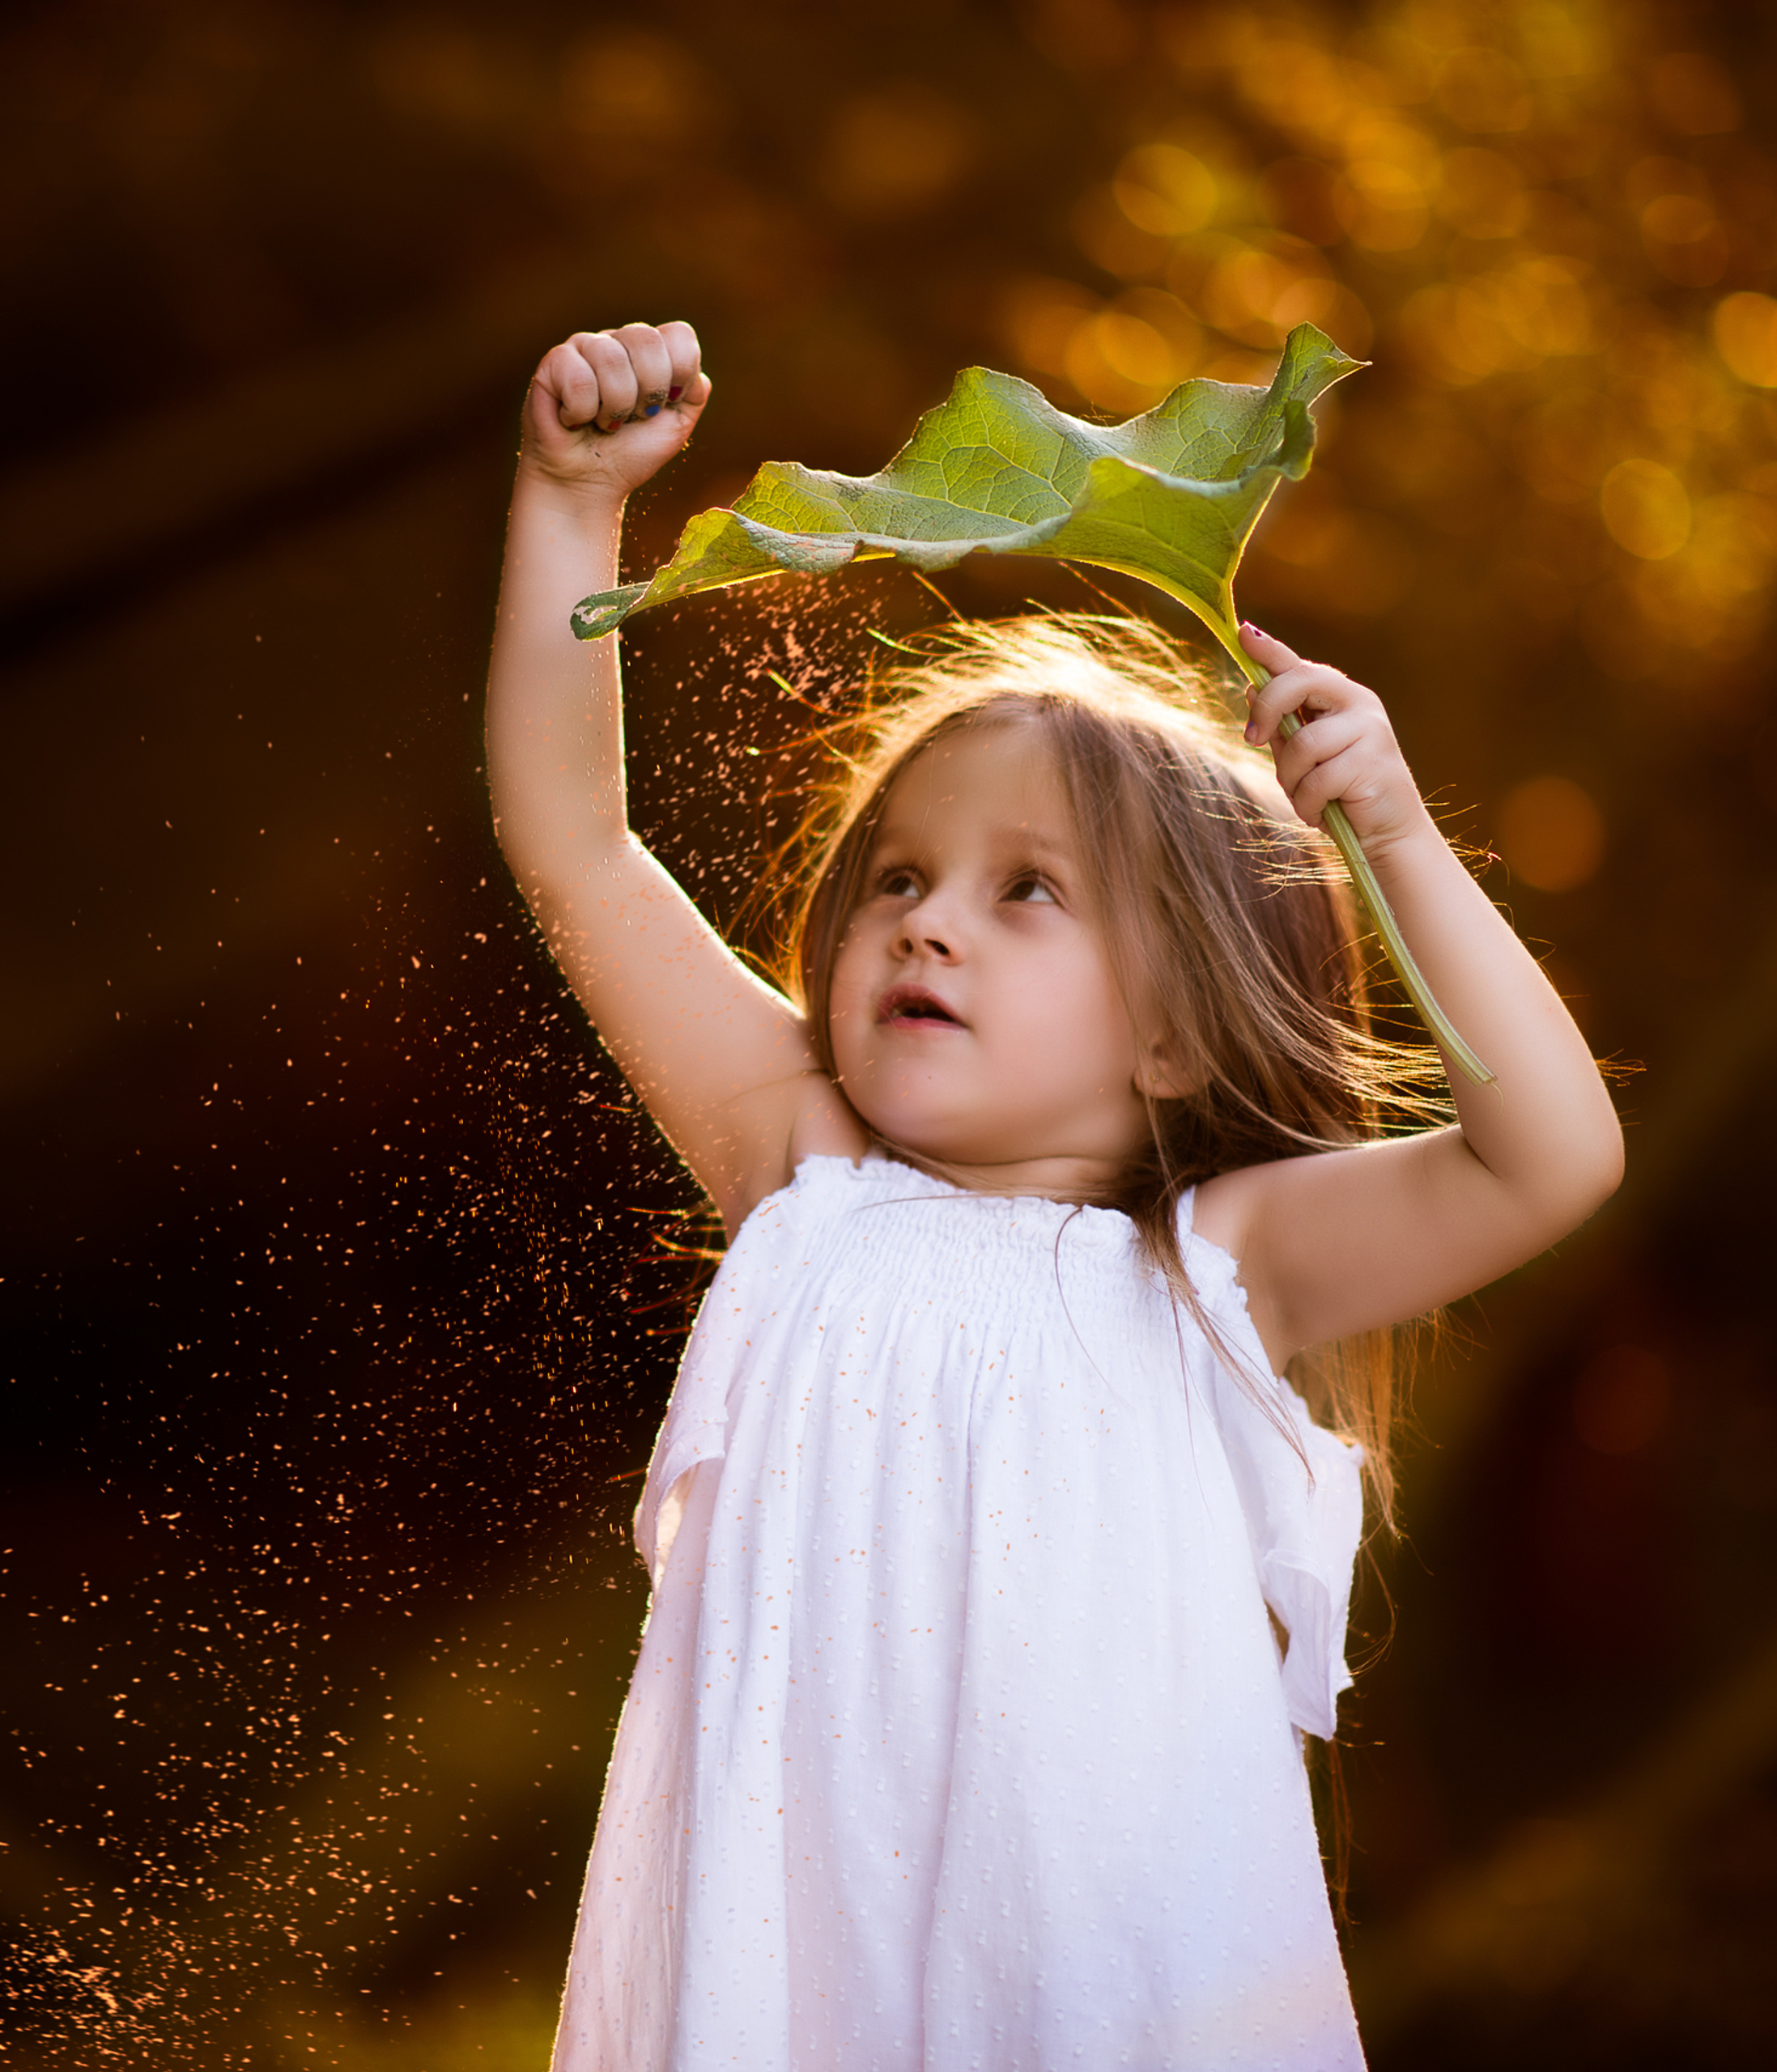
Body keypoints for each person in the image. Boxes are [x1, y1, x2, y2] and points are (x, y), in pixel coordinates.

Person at [485, 321, 1622, 2072]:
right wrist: (571, 510)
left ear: (1176, 1035)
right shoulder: (804, 1160)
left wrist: (1388, 829)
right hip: (800, 1966)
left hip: (1101, 1982)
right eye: (900, 878)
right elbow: (576, 841)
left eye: (1027, 891)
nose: (925, 919)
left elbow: (1544, 1153)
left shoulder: (1211, 1263)